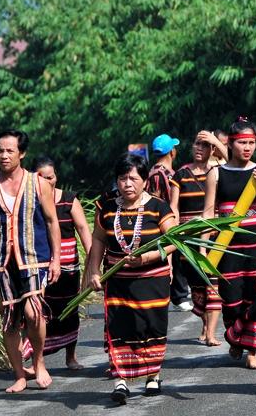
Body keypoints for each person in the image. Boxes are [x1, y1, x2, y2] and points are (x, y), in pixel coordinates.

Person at [0, 130, 61, 393]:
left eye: (10, 150)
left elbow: (51, 221)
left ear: (21, 153)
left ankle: (39, 361)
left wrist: (55, 259)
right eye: (0, 150)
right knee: (9, 318)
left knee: (34, 313)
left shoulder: (38, 183)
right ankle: (20, 374)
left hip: (34, 259)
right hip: (2, 263)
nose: (4, 155)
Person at [87, 153, 176, 404]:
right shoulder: (107, 208)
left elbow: (173, 242)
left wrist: (146, 258)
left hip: (152, 279)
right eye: (122, 178)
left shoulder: (159, 207)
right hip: (118, 280)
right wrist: (94, 271)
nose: (127, 184)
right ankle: (121, 381)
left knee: (151, 326)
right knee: (119, 328)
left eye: (133, 178)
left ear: (145, 181)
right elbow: (98, 240)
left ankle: (153, 376)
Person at [202, 117, 256, 369]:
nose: (247, 148)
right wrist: (203, 249)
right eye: (242, 142)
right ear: (230, 144)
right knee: (231, 298)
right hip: (226, 246)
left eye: (252, 142)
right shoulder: (216, 173)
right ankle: (234, 334)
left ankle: (253, 352)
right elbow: (209, 213)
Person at [26, 157, 92, 369]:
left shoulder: (69, 200)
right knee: (39, 313)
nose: (49, 181)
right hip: (40, 266)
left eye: (51, 177)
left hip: (68, 268)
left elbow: (83, 230)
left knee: (69, 311)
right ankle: (37, 359)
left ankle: (70, 357)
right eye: (43, 178)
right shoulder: (29, 201)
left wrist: (93, 264)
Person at [170, 132, 223, 346]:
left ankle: (210, 333)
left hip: (214, 237)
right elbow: (174, 206)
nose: (200, 148)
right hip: (187, 238)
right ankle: (204, 320)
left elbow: (234, 164)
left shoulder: (219, 172)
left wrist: (217, 141)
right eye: (197, 144)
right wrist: (173, 232)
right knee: (196, 287)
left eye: (205, 145)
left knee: (213, 284)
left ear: (212, 150)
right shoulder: (181, 175)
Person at [146, 133, 192, 312]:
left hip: (168, 220)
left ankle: (178, 295)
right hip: (165, 221)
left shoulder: (158, 172)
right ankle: (179, 296)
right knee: (175, 259)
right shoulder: (160, 174)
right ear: (171, 152)